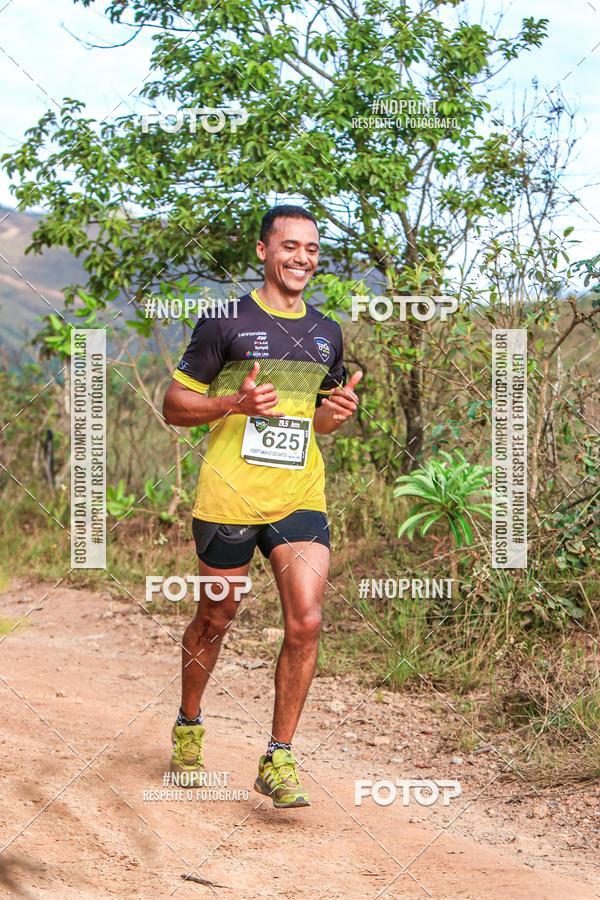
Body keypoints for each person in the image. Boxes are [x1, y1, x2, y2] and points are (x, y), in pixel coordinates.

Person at [162, 204, 362, 809]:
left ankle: (278, 756)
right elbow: (174, 405)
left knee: (306, 620)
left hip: (300, 496)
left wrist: (335, 414)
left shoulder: (327, 332)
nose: (302, 258)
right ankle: (189, 727)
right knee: (216, 619)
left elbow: (318, 422)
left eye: (312, 249)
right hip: (229, 496)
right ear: (263, 251)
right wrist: (234, 405)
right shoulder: (225, 321)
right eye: (290, 246)